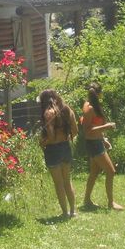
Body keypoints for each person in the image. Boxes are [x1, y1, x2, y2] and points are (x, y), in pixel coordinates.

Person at [81, 82, 123, 210]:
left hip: (97, 141)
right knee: (110, 171)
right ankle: (111, 203)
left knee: (94, 172)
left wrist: (103, 138)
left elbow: (94, 127)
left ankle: (87, 201)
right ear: (99, 94)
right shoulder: (89, 108)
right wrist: (106, 127)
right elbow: (86, 130)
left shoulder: (94, 106)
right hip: (93, 144)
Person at [38, 89, 78, 218]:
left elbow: (51, 135)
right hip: (66, 147)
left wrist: (43, 142)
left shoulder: (48, 113)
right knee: (67, 180)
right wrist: (65, 138)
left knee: (58, 183)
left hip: (53, 150)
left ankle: (64, 213)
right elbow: (75, 130)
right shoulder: (67, 110)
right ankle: (73, 211)